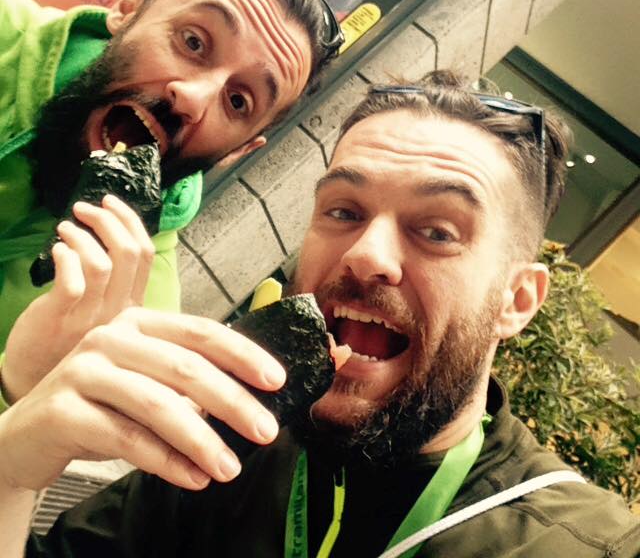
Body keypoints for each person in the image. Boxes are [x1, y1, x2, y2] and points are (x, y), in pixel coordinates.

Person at [1, 71, 639, 557]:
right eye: (343, 211)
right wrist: (12, 465)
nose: (366, 255)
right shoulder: (228, 444)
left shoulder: (583, 544)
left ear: (516, 300)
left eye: (437, 231)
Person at [0, 0, 342, 408]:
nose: (192, 99)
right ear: (126, 9)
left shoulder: (137, 310)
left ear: (240, 150)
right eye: (193, 42)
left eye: (238, 101)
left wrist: (22, 391)